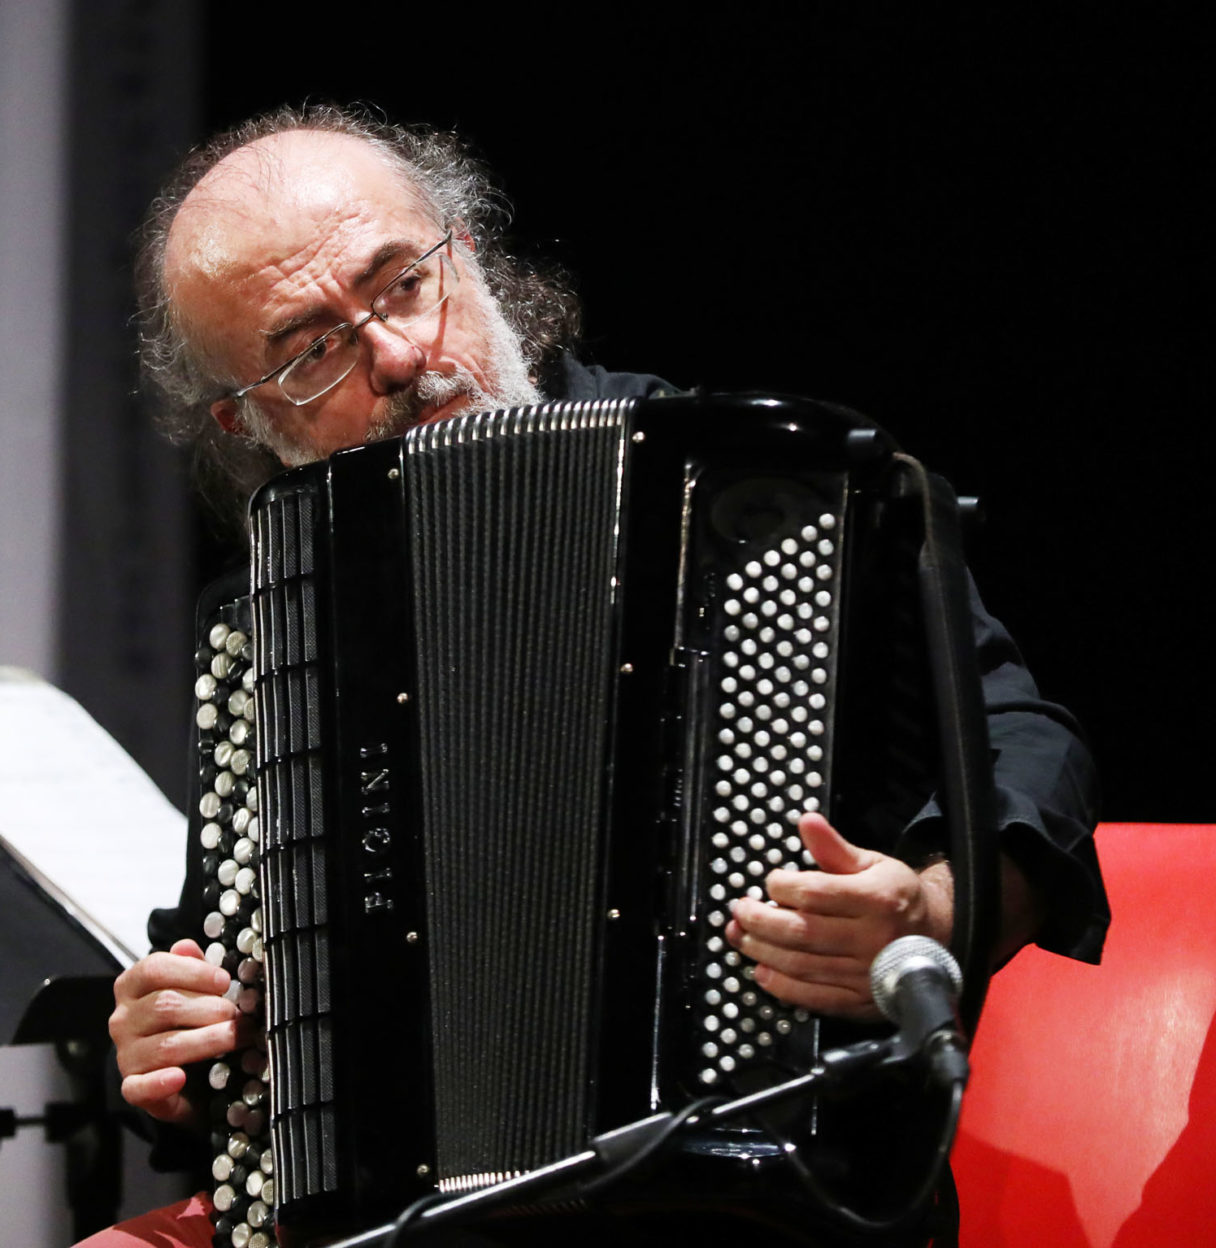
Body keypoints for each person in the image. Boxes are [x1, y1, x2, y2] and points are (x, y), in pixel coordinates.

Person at [90, 104, 1108, 1246]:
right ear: (246, 416)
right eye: (312, 349)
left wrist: (933, 906)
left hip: (751, 1194)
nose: (399, 358)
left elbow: (1030, 739)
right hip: (408, 1218)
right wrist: (184, 1036)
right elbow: (233, 998)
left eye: (403, 283)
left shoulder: (747, 488)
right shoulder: (273, 620)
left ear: (467, 259)